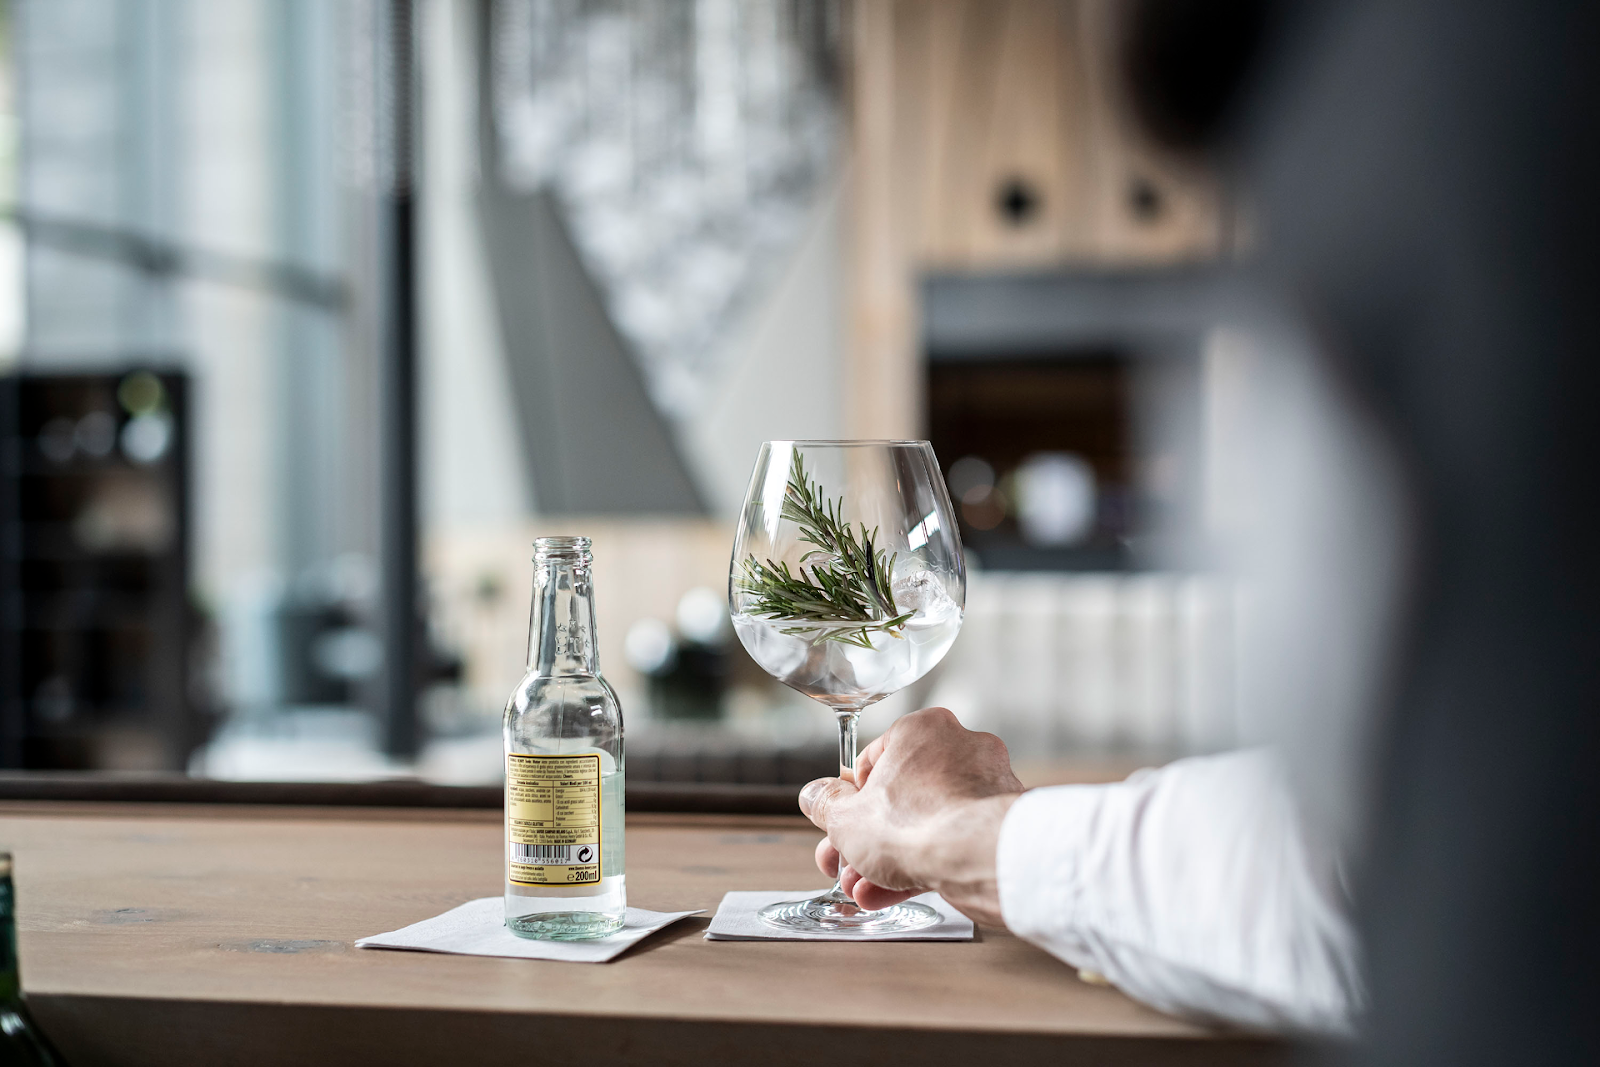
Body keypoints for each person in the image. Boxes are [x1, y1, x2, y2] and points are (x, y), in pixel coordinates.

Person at [804, 3, 1600, 1060]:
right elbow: (1377, 825)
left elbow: (1394, 859)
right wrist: (993, 824)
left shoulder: (1458, 106)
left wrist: (962, 837)